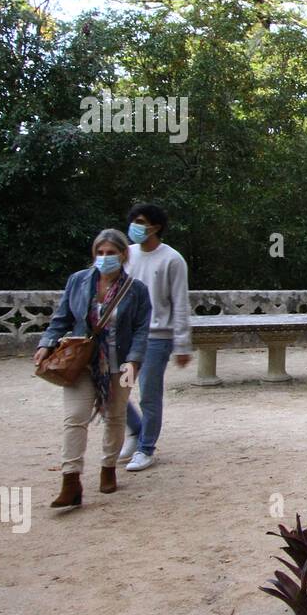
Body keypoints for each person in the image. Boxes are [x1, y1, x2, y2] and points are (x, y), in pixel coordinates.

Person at [33, 229, 152, 509]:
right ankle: (70, 480)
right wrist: (46, 343)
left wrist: (134, 361)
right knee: (75, 417)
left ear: (123, 255)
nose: (104, 258)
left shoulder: (136, 290)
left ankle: (108, 466)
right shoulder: (78, 281)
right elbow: (61, 318)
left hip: (120, 362)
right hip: (81, 361)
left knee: (115, 416)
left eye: (111, 253)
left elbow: (141, 330)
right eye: (100, 253)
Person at [119, 202, 192, 472]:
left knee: (149, 394)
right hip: (126, 336)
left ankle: (146, 448)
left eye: (141, 222)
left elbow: (180, 303)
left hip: (156, 338)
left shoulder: (172, 259)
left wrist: (182, 344)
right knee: (115, 389)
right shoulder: (126, 255)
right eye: (134, 221)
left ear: (156, 226)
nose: (136, 227)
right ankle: (135, 431)